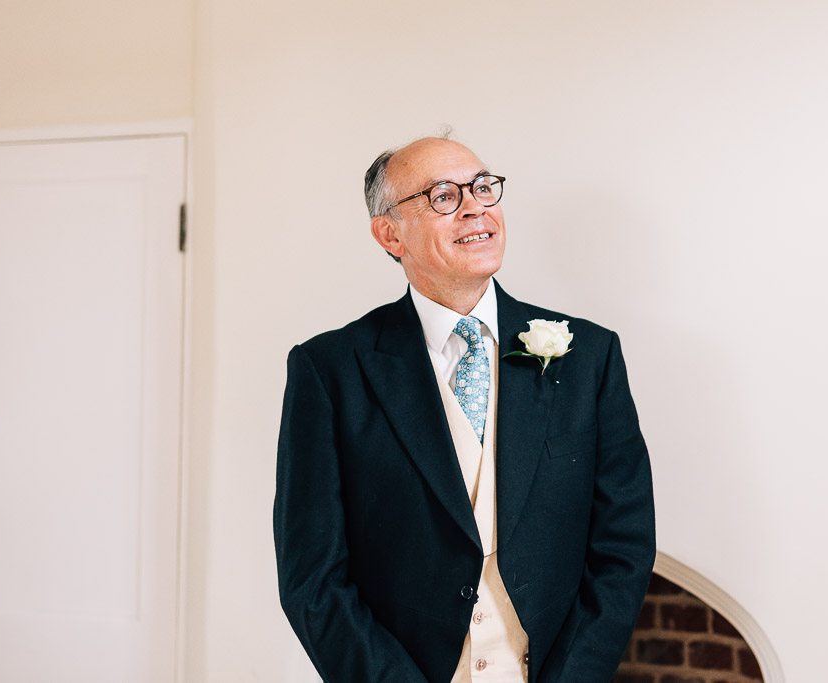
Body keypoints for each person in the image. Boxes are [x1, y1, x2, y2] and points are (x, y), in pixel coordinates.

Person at [274, 135, 655, 683]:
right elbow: (312, 577)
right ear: (389, 233)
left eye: (482, 187)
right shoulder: (329, 370)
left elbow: (624, 544)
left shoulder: (589, 356)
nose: (476, 206)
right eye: (442, 196)